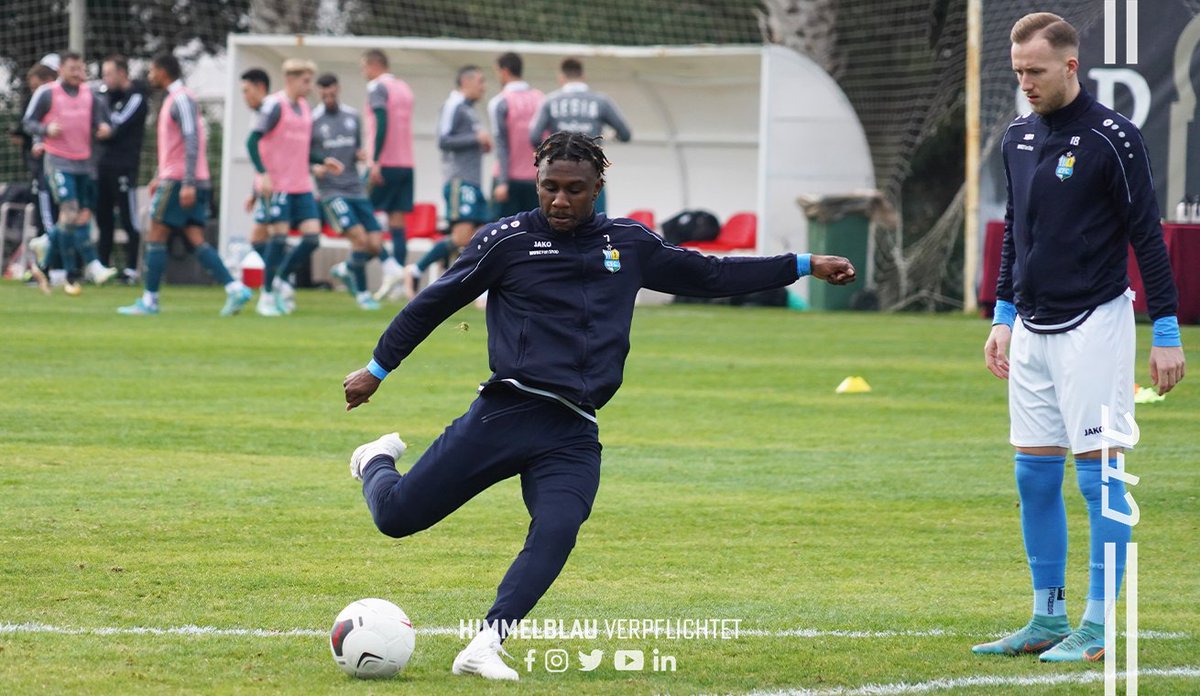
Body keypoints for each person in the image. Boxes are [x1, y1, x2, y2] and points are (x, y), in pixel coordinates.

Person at [342, 131, 856, 681]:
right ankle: (374, 460)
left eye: (574, 190)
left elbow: (709, 274)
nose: (560, 200)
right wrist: (377, 369)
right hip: (509, 412)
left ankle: (486, 645)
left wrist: (803, 262)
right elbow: (434, 303)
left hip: (573, 430)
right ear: (536, 182)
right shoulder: (507, 240)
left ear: (598, 189)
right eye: (549, 187)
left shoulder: (629, 243)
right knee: (397, 518)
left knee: (559, 527)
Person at [976, 12, 1186, 663]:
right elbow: (1018, 231)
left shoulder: (1113, 138)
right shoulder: (1016, 136)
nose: (1026, 83)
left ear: (1070, 66)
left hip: (1096, 325)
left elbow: (1147, 238)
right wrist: (1003, 317)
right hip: (1031, 330)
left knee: (1098, 481)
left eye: (1035, 71)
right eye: (1017, 72)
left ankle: (1098, 625)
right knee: (1034, 478)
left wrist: (1168, 332)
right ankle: (1047, 615)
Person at [117, 52, 251, 317]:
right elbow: (176, 145)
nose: (149, 76)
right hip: (180, 177)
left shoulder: (181, 99)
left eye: (152, 71)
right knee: (195, 238)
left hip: (181, 181)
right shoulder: (175, 99)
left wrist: (187, 181)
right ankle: (235, 288)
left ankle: (150, 300)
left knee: (156, 233)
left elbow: (191, 140)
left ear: (164, 71)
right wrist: (158, 174)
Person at [22, 51, 118, 294]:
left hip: (85, 163)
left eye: (80, 68)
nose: (77, 73)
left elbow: (106, 124)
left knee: (81, 216)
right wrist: (45, 129)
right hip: (58, 161)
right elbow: (28, 122)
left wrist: (105, 129)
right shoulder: (47, 93)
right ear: (61, 70)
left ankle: (48, 242)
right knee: (70, 210)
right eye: (72, 68)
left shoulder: (91, 95)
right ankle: (80, 271)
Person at [248, 58, 337, 316]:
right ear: (290, 79)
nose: (310, 86)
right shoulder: (274, 106)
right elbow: (252, 142)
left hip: (301, 184)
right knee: (278, 237)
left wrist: (322, 160)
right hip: (278, 185)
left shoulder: (305, 108)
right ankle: (265, 296)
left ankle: (280, 278)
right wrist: (263, 174)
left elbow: (304, 148)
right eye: (306, 81)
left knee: (312, 238)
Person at [404, 65, 491, 296]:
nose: (484, 87)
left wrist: (481, 143)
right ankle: (416, 269)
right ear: (466, 81)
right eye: (481, 81)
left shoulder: (470, 110)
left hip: (473, 182)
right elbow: (443, 140)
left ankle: (479, 288)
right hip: (459, 181)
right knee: (462, 237)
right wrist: (475, 138)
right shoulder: (453, 105)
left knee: (483, 236)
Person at [311, 73, 384, 311]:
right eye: (324, 94)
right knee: (359, 238)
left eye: (332, 93)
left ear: (338, 89)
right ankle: (363, 293)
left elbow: (355, 149)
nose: (329, 97)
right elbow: (305, 155)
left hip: (355, 188)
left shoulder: (352, 116)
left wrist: (359, 155)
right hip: (331, 191)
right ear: (318, 92)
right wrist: (317, 168)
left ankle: (347, 269)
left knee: (375, 244)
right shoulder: (313, 120)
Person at [529, 57, 631, 215]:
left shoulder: (550, 101)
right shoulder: (601, 101)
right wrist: (609, 136)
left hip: (558, 175)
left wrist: (550, 150)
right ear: (583, 76)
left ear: (561, 77)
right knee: (595, 225)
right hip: (590, 174)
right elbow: (625, 134)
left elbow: (534, 136)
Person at [360, 49, 414, 301]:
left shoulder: (376, 87)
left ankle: (387, 266)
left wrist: (375, 160)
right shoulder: (404, 87)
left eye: (364, 67)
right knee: (397, 221)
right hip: (406, 163)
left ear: (373, 65)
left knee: (359, 218)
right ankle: (401, 284)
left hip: (385, 163)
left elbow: (382, 121)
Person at [94, 54, 149, 283]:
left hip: (124, 167)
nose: (105, 79)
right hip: (103, 166)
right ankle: (102, 267)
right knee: (103, 218)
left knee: (128, 218)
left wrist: (106, 128)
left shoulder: (136, 97)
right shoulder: (107, 96)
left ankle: (131, 269)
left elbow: (115, 124)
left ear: (122, 73)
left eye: (109, 74)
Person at [487, 52, 543, 219]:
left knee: (502, 234)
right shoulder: (540, 99)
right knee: (536, 233)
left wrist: (502, 182)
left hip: (509, 179)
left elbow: (501, 143)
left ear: (504, 71)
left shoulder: (500, 101)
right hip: (537, 178)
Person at [239, 67, 273, 292]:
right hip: (266, 186)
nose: (244, 96)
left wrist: (264, 176)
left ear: (260, 87)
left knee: (262, 236)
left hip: (278, 185)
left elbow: (256, 148)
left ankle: (276, 281)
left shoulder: (271, 109)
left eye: (246, 90)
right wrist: (254, 191)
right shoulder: (260, 113)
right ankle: (277, 281)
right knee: (261, 237)